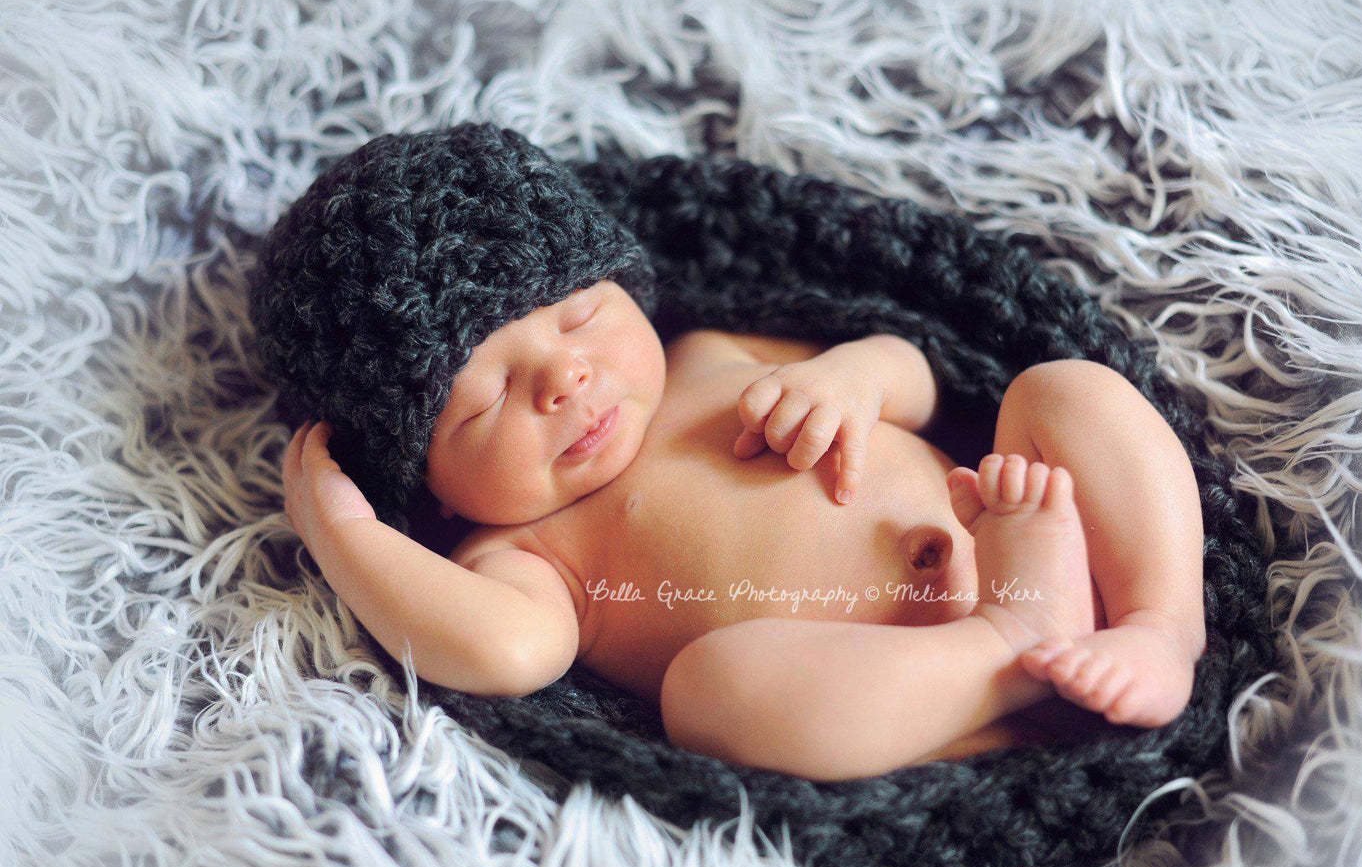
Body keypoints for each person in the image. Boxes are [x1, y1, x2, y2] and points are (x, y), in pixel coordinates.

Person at [255, 123, 1206, 783]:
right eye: (487, 398)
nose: (566, 380)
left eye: (581, 317)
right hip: (908, 686)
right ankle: (1006, 653)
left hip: (1047, 542)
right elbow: (506, 652)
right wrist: (344, 535)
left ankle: (1160, 624)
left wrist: (855, 377)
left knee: (1063, 391)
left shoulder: (709, 356)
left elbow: (913, 373)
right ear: (421, 480)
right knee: (710, 698)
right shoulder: (527, 556)